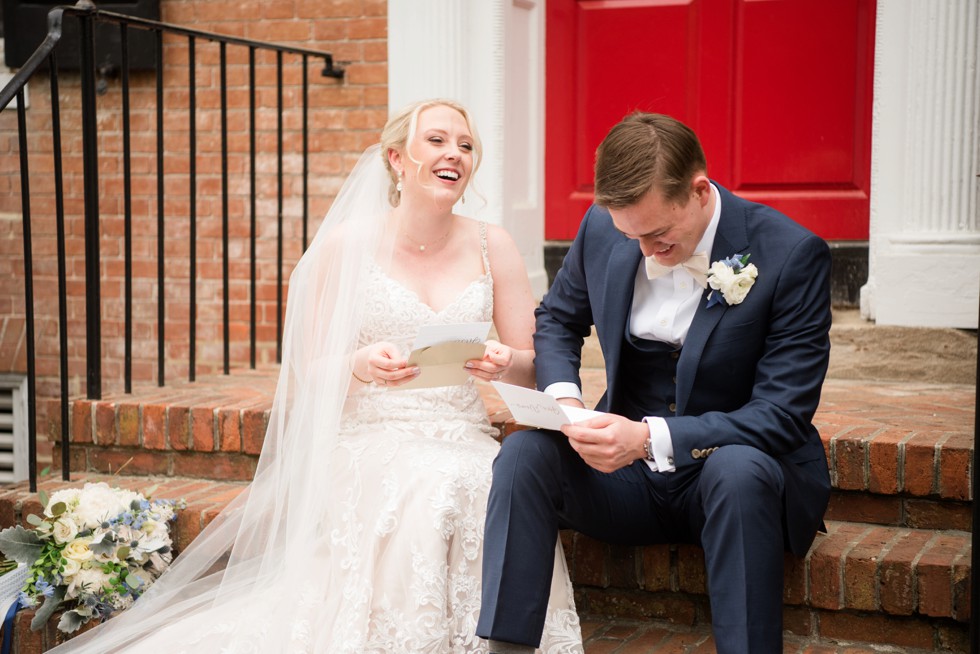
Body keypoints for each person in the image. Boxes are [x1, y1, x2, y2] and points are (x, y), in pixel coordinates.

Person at [51, 100, 583, 653]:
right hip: (372, 433)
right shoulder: (347, 245)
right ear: (397, 158)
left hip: (459, 429)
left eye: (466, 145)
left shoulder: (491, 243)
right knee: (428, 482)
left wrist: (502, 361)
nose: (455, 154)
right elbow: (308, 373)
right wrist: (358, 365)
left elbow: (531, 365)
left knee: (482, 478)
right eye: (438, 141)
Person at [477, 112, 832, 654]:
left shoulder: (790, 254)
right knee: (525, 454)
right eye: (630, 235)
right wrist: (565, 402)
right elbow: (557, 320)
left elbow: (781, 416)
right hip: (626, 484)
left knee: (739, 471)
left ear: (699, 190)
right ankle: (507, 648)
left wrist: (646, 439)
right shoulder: (603, 228)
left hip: (728, 476)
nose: (644, 251)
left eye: (659, 235)